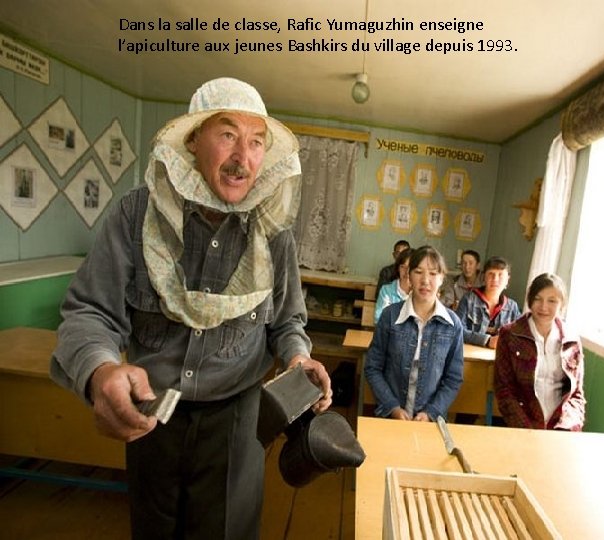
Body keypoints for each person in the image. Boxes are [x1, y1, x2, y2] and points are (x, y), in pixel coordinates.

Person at [49, 78, 332, 539]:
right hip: (151, 414)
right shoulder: (135, 215)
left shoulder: (275, 232)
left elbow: (287, 320)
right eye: (227, 135)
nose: (243, 158)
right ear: (192, 140)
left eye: (256, 142)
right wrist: (101, 372)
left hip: (238, 418)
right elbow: (89, 312)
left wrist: (299, 356)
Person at [364, 245, 463, 421]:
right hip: (390, 416)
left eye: (433, 273)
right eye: (418, 272)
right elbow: (373, 367)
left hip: (430, 422)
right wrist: (392, 406)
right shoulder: (390, 316)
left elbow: (453, 379)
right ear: (409, 275)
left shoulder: (453, 324)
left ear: (442, 278)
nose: (425, 280)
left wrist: (431, 412)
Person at [494, 273, 585, 430]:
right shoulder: (510, 335)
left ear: (562, 304)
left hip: (561, 428)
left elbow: (576, 394)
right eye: (538, 299)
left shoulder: (572, 340)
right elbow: (504, 390)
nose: (543, 307)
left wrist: (568, 426)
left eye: (552, 301)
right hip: (522, 425)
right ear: (530, 300)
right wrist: (526, 429)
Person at [455, 256, 521, 348]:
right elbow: (457, 330)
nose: (495, 279)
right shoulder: (469, 299)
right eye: (491, 274)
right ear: (483, 277)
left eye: (500, 275)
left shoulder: (512, 307)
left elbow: (520, 336)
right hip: (470, 357)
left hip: (499, 359)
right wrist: (487, 340)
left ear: (507, 280)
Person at [374, 248, 413, 324]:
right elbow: (379, 319)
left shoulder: (420, 292)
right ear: (398, 268)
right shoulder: (386, 291)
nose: (407, 272)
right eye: (403, 267)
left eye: (410, 267)